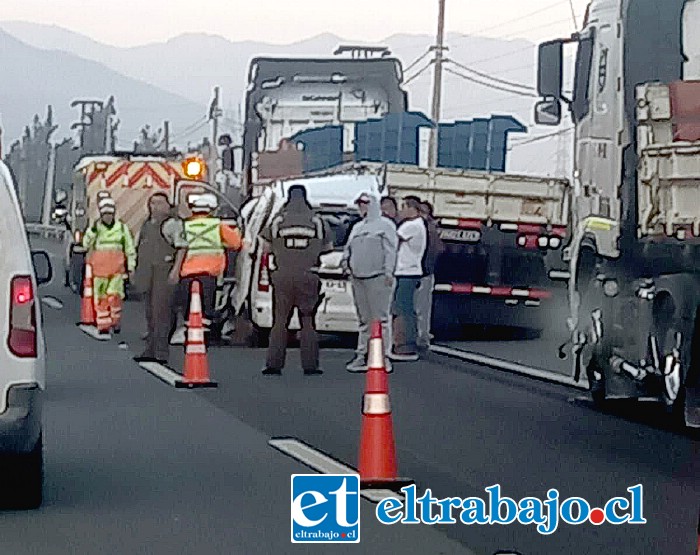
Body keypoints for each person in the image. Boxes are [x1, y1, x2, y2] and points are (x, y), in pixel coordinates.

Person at [260, 185, 333, 376]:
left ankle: (274, 364)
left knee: (280, 321)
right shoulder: (317, 221)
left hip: (282, 276)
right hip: (309, 275)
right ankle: (310, 365)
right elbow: (328, 248)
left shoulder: (278, 220)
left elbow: (266, 248)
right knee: (308, 320)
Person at [169, 192, 243, 334]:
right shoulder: (217, 225)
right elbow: (236, 243)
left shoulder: (185, 226)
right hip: (209, 274)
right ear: (210, 209)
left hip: (187, 273)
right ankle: (204, 335)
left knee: (189, 307)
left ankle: (189, 334)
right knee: (206, 308)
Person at [342, 193, 398, 373]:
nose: (361, 207)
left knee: (381, 319)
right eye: (359, 204)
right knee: (364, 320)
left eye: (365, 204)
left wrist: (389, 272)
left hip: (379, 277)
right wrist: (345, 263)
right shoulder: (357, 227)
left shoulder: (385, 226)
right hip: (358, 278)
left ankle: (384, 357)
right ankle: (362, 354)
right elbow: (348, 248)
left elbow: (391, 250)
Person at [132, 193, 179, 364]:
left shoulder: (171, 224)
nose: (155, 206)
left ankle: (161, 351)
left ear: (168, 205)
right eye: (153, 203)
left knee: (162, 313)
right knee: (150, 313)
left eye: (160, 203)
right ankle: (150, 349)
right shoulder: (146, 225)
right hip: (147, 272)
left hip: (163, 271)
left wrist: (175, 270)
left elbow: (182, 248)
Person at [82, 197, 136, 336]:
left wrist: (131, 267)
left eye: (109, 214)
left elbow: (129, 249)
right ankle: (103, 325)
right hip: (99, 271)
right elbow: (86, 244)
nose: (107, 217)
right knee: (100, 299)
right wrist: (92, 231)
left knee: (114, 297)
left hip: (116, 271)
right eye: (105, 214)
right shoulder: (95, 229)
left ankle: (115, 322)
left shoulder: (121, 228)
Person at [390, 195, 427, 361]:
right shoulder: (419, 225)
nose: (400, 211)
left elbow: (392, 240)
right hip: (409, 271)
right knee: (405, 307)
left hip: (407, 271)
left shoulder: (411, 226)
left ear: (411, 208)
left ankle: (405, 344)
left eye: (403, 207)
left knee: (403, 308)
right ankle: (405, 343)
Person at [416, 201, 445, 351]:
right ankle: (420, 336)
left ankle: (422, 337)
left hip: (424, 271)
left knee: (422, 307)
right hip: (419, 271)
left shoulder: (428, 228)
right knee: (419, 307)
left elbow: (437, 249)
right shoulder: (421, 227)